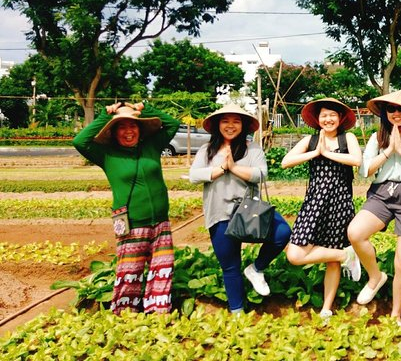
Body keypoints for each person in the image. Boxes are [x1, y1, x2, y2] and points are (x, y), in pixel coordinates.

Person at [73, 101, 180, 314]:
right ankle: (125, 313)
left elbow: (172, 124)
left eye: (132, 125)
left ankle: (158, 312)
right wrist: (105, 116)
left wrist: (144, 108)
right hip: (130, 222)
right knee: (130, 270)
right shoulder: (106, 154)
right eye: (121, 127)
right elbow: (80, 141)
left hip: (160, 222)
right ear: (113, 132)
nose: (128, 131)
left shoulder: (151, 146)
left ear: (139, 129)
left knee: (162, 269)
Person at [189, 104, 291, 314]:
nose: (230, 125)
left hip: (249, 211)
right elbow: (194, 176)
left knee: (282, 232)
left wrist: (234, 167)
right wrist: (220, 169)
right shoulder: (206, 150)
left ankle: (256, 268)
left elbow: (262, 174)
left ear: (243, 125)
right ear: (218, 124)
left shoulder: (252, 148)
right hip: (219, 213)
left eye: (236, 121)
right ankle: (237, 313)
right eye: (225, 121)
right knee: (230, 266)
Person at [347, 89, 401, 325]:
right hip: (382, 193)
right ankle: (375, 277)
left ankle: (395, 315)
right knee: (355, 232)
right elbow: (365, 170)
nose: (396, 113)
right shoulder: (378, 138)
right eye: (391, 109)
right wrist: (388, 150)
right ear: (385, 113)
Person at [281, 98, 363, 319]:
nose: (328, 119)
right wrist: (315, 153)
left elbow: (357, 160)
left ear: (340, 118)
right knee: (295, 254)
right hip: (314, 203)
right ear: (317, 119)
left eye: (332, 115)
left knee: (330, 261)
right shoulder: (311, 140)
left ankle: (326, 308)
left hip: (339, 203)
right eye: (324, 115)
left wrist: (327, 154)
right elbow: (286, 161)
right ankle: (346, 255)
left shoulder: (348, 138)